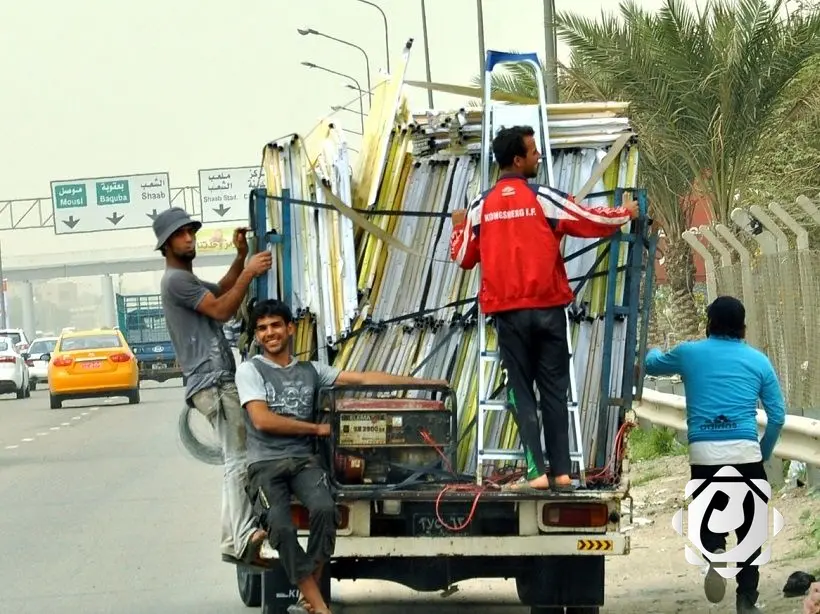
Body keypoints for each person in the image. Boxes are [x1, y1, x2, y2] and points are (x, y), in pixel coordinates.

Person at [448, 124, 639, 493]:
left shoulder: (480, 207)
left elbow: (463, 258)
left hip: (508, 315)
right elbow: (589, 220)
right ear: (518, 160)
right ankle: (562, 474)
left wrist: (458, 228)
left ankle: (536, 474)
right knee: (554, 391)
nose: (538, 156)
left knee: (520, 392)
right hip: (549, 311)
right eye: (533, 151)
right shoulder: (543, 198)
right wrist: (625, 213)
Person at [235, 298, 447, 614]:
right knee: (281, 526)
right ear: (256, 335)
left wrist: (425, 383)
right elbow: (262, 420)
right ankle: (319, 605)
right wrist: (316, 429)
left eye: (275, 325)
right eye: (262, 328)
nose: (269, 333)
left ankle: (309, 594)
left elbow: (362, 379)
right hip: (264, 464)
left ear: (290, 329)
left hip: (304, 462)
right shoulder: (250, 370)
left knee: (325, 510)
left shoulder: (310, 370)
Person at [644, 295, 786, 614]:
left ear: (709, 324)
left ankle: (716, 553)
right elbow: (777, 416)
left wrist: (650, 349)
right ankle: (746, 599)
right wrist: (761, 454)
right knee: (750, 530)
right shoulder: (759, 361)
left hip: (705, 455)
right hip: (746, 454)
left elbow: (651, 365)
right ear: (743, 328)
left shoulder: (689, 353)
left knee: (710, 517)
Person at [154, 206, 274, 568]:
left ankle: (233, 539)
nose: (189, 238)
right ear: (166, 245)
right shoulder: (175, 281)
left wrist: (240, 258)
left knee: (237, 458)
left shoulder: (185, 280)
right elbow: (222, 310)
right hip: (212, 381)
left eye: (191, 231)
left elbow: (221, 291)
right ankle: (242, 537)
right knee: (239, 459)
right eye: (181, 234)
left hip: (213, 380)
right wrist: (249, 272)